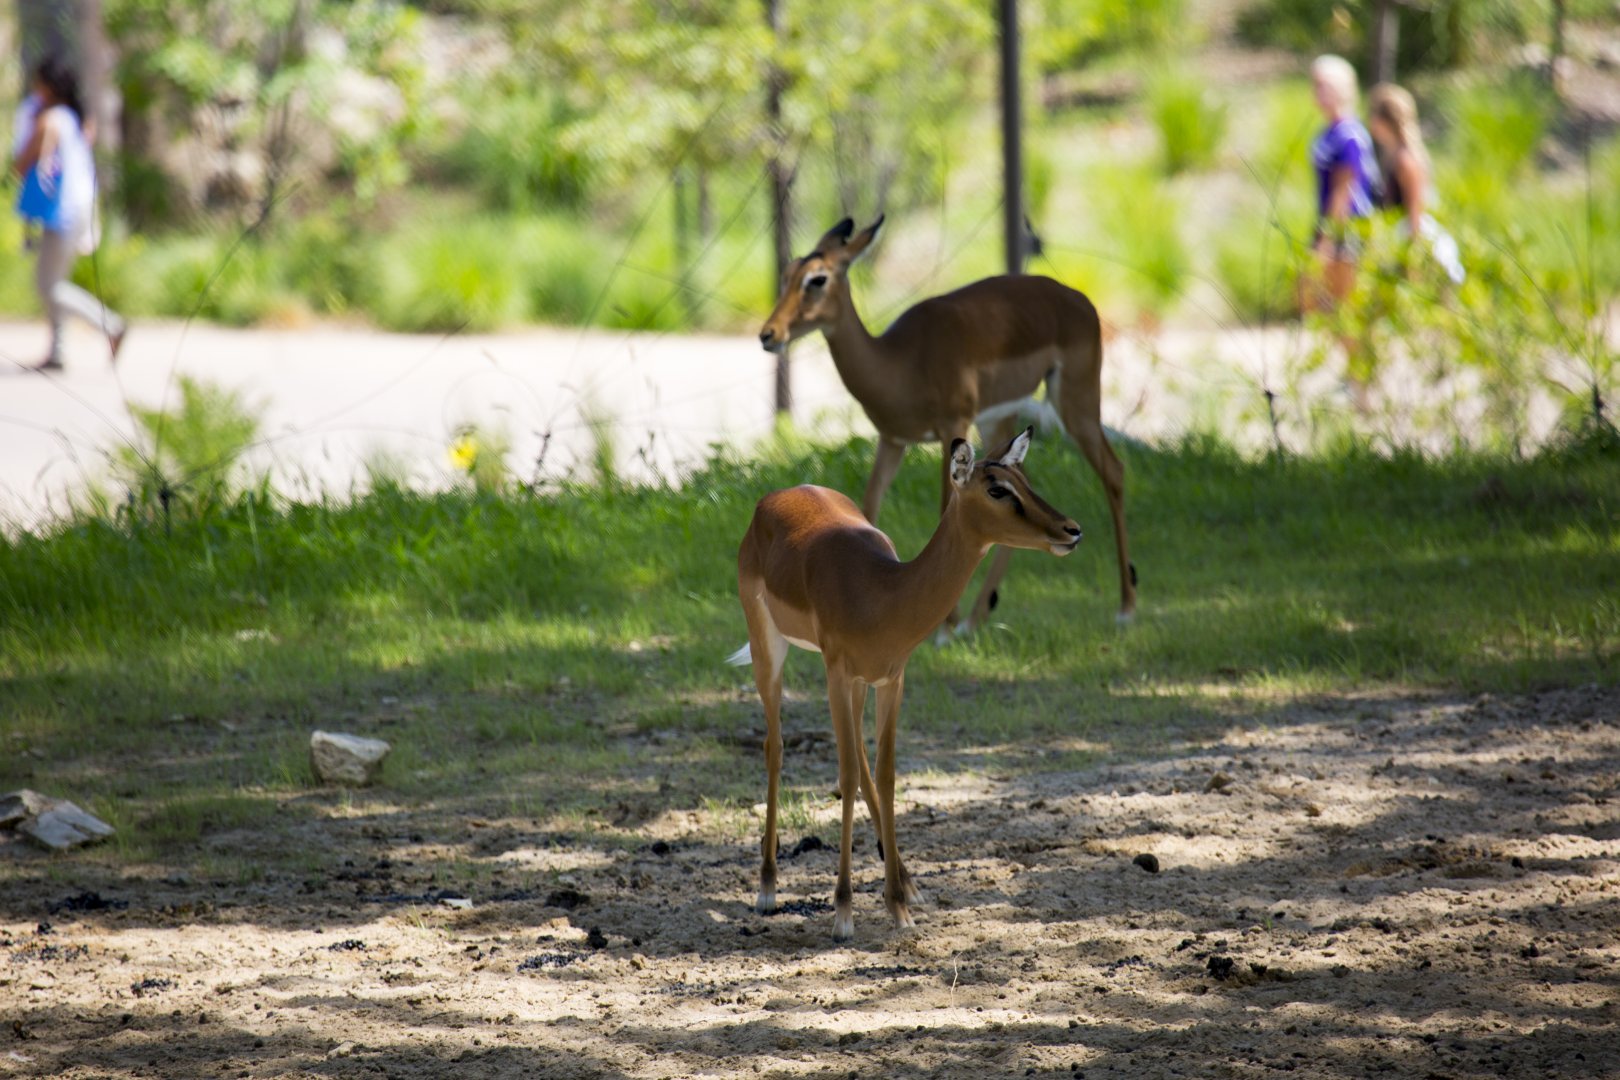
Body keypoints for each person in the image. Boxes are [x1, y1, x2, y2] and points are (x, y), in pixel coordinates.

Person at [12, 54, 126, 373]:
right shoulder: (77, 119)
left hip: (60, 211)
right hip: (81, 208)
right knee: (54, 281)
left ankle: (111, 324)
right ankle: (58, 351)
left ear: (47, 86)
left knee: (49, 286)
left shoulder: (49, 119)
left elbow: (22, 164)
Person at [1367, 82, 1465, 285]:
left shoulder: (1406, 160)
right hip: (1397, 235)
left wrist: (1411, 257)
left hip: (1409, 235)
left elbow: (1415, 211)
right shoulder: (1393, 155)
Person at [1304, 54, 1379, 313]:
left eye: (1322, 85)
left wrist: (1327, 239)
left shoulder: (1350, 135)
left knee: (1345, 302)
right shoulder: (1327, 132)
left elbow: (1344, 189)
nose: (1316, 92)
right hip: (1328, 222)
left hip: (1348, 227)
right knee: (1321, 302)